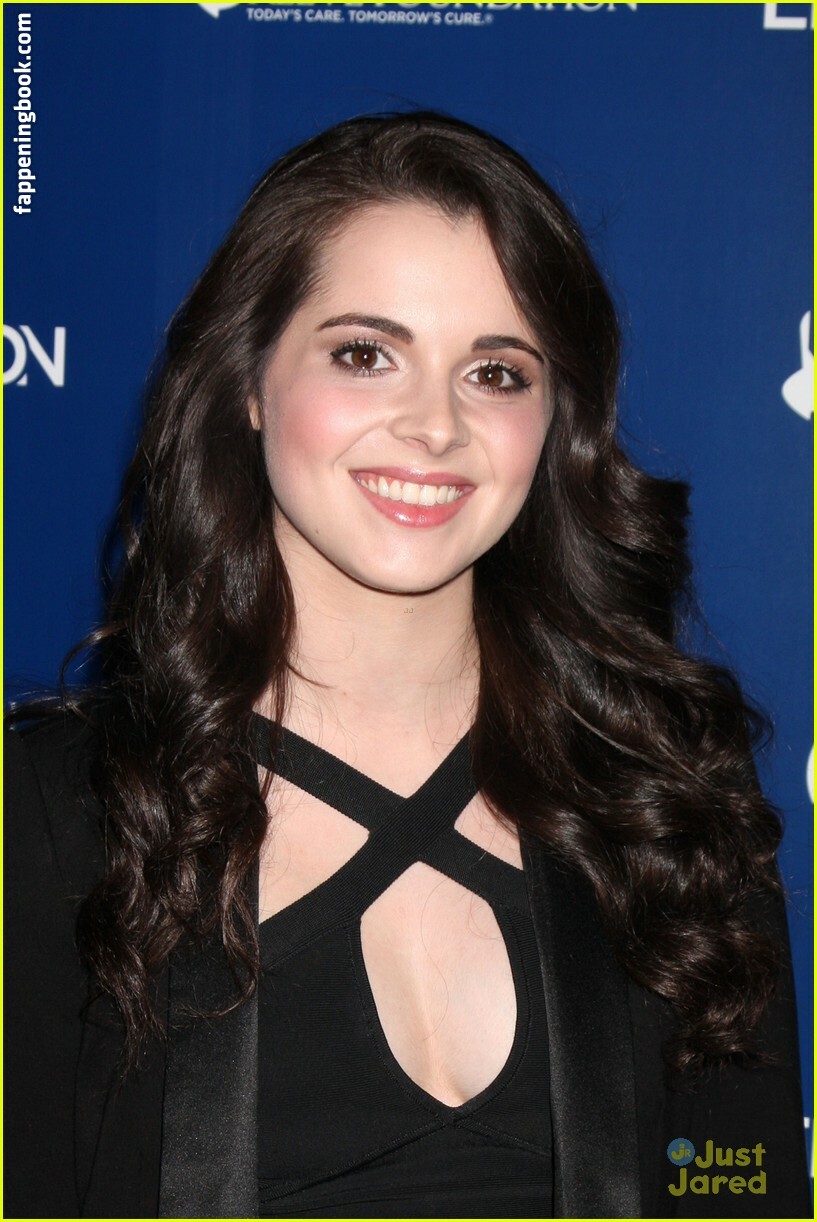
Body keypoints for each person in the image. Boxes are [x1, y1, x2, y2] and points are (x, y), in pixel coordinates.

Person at [5, 112, 810, 1220]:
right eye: (364, 354)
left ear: (555, 417)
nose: (435, 425)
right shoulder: (60, 813)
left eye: (495, 372)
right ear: (249, 380)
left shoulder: (664, 785)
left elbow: (741, 1188)